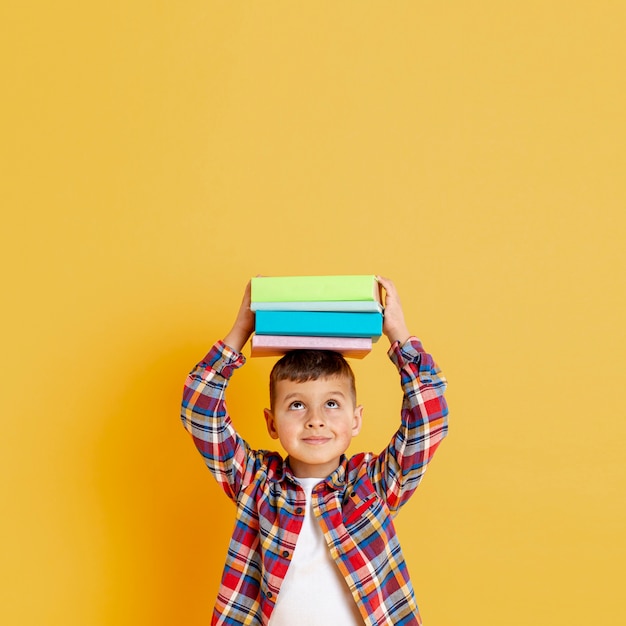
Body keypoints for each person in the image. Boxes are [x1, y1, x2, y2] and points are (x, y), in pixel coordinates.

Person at [181, 276, 449, 626]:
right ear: (272, 423)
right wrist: (241, 330)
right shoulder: (256, 482)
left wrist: (399, 334)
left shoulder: (373, 485)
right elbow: (199, 408)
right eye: (296, 406)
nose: (316, 420)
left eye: (332, 404)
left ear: (356, 420)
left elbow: (429, 419)